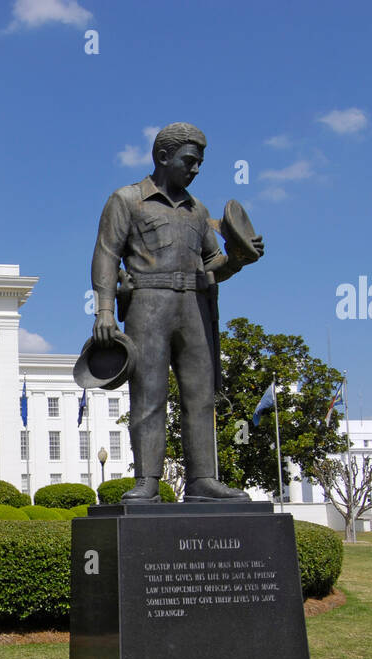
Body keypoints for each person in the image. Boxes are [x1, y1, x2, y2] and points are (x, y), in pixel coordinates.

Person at [91, 122, 263, 501]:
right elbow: (106, 254)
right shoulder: (127, 199)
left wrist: (238, 258)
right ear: (163, 156)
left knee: (200, 396)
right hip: (148, 304)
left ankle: (203, 480)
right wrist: (104, 309)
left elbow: (212, 263)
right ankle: (148, 481)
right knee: (149, 394)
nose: (196, 169)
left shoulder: (197, 211)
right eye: (190, 160)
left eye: (200, 162)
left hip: (195, 307)